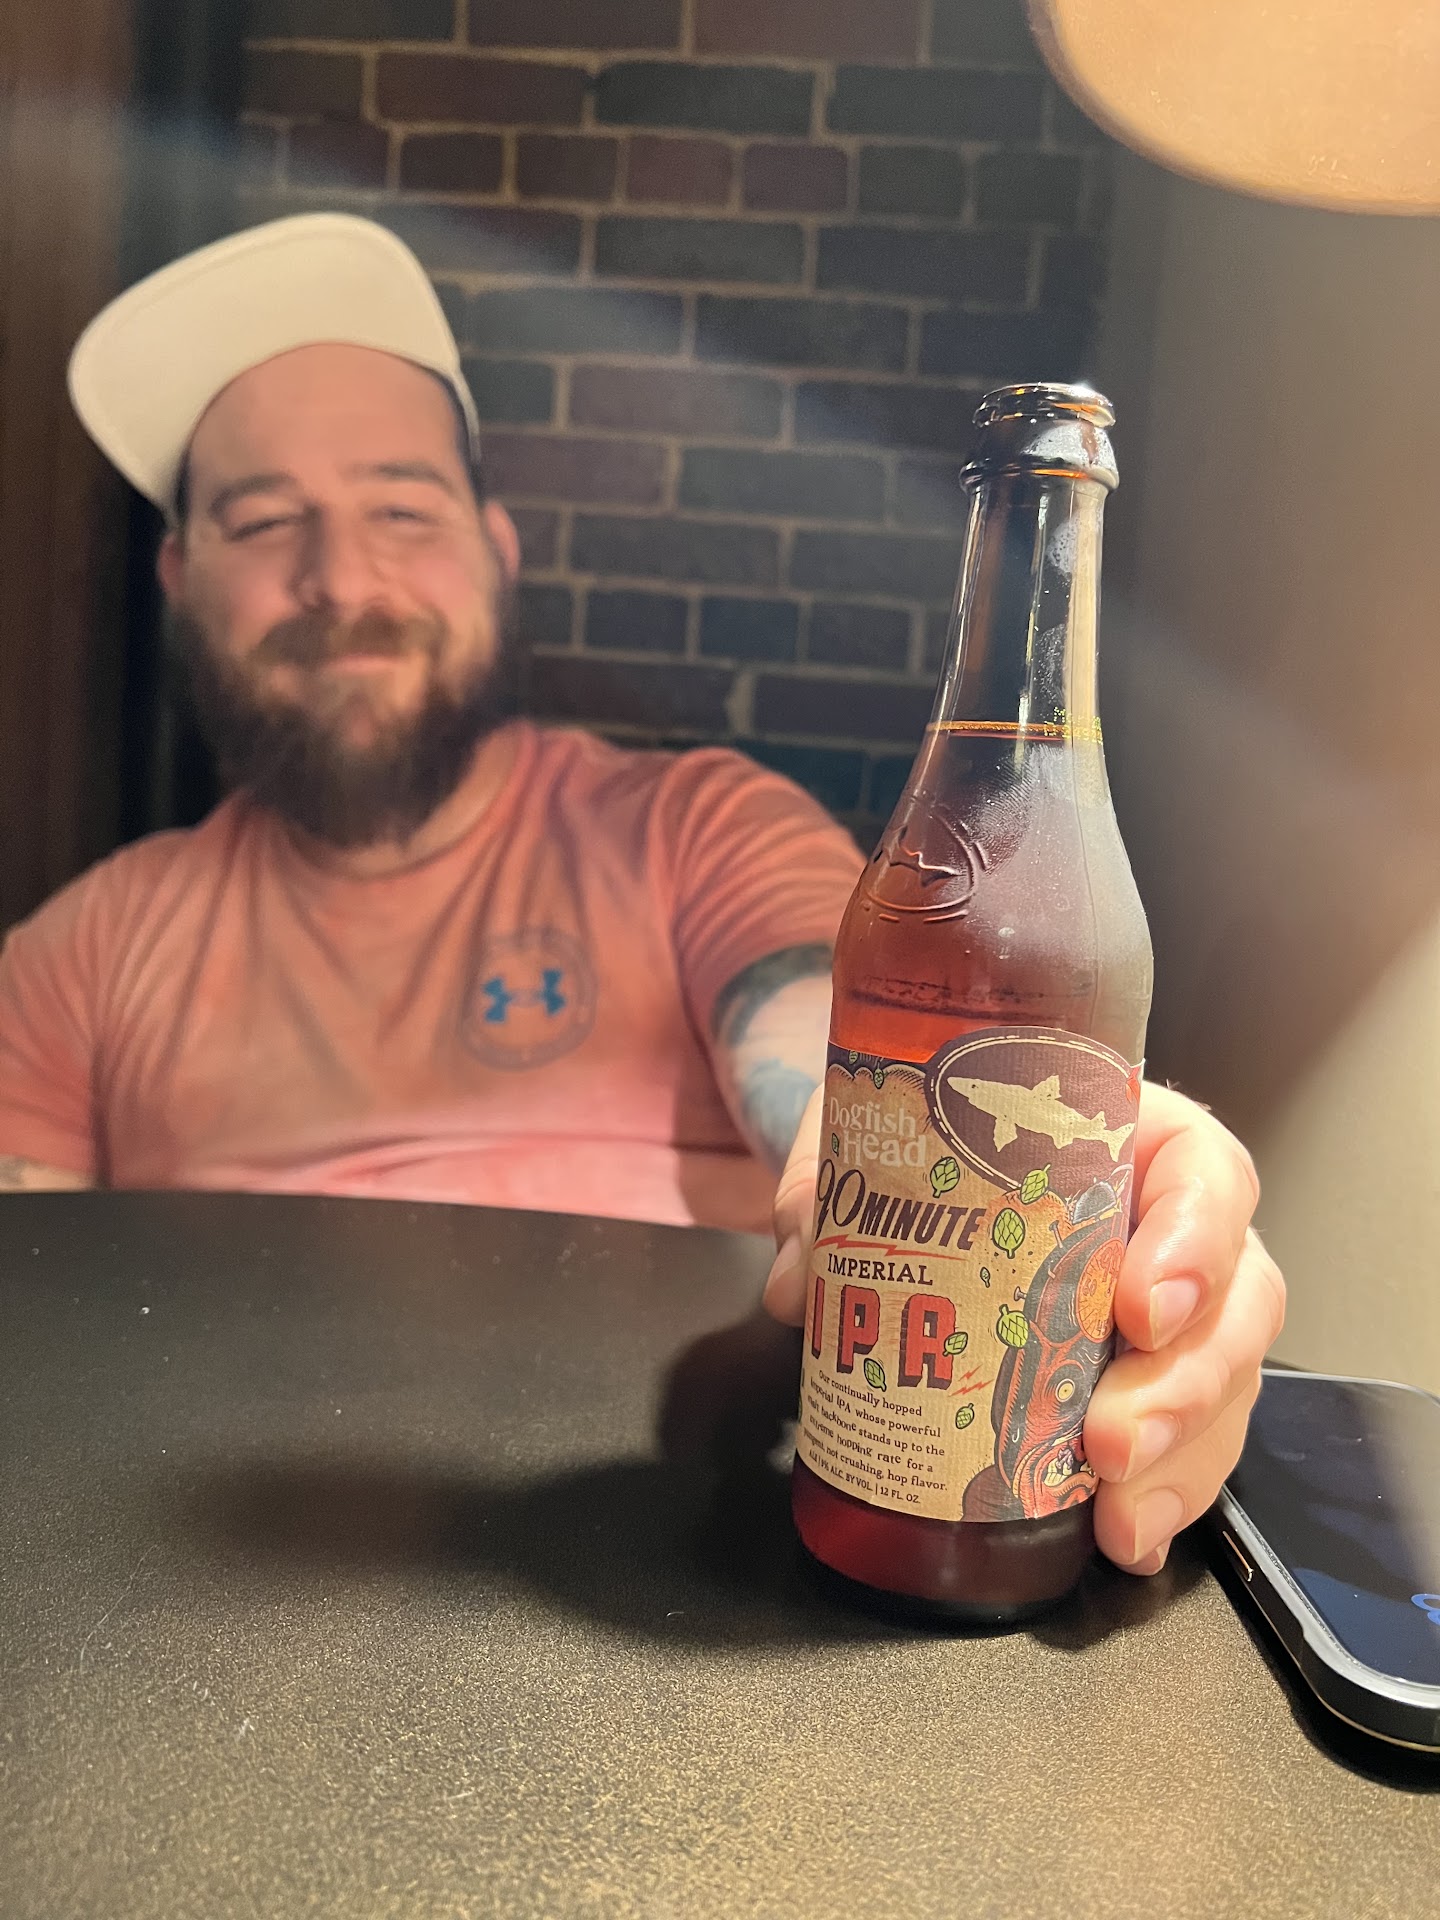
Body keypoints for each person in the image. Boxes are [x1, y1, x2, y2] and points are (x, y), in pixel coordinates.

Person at [0, 213, 1283, 1576]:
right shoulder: (77, 956)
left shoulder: (698, 835)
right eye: (263, 521)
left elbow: (833, 1063)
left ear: (495, 548)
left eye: (402, 508)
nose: (343, 577)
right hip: (199, 1584)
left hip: (671, 1573)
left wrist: (1032, 1154)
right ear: (181, 579)